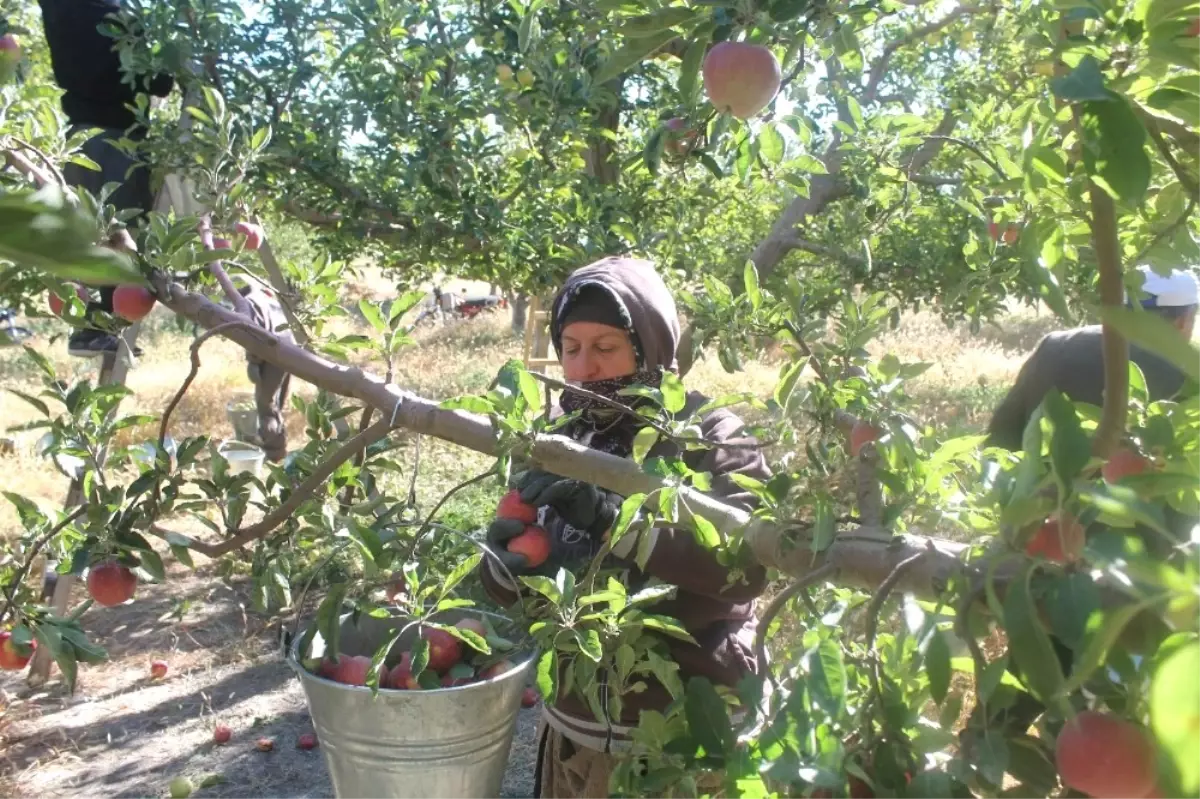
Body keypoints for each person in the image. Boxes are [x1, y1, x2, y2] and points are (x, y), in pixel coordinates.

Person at [479, 256, 771, 798]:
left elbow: (748, 568)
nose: (584, 368)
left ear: (650, 347)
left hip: (684, 739)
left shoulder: (711, 438)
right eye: (571, 348)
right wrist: (502, 564)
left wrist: (616, 521)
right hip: (578, 726)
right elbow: (519, 587)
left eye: (605, 348)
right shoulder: (559, 437)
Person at [38, 0, 174, 357]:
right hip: (115, 137)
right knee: (119, 229)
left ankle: (94, 326)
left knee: (93, 231)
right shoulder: (114, 12)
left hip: (79, 137)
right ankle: (96, 329)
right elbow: (158, 80)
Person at [986, 265, 1197, 450]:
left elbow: (1002, 433)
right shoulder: (1187, 375)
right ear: (1182, 321)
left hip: (1044, 490)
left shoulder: (1056, 345)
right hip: (1128, 493)